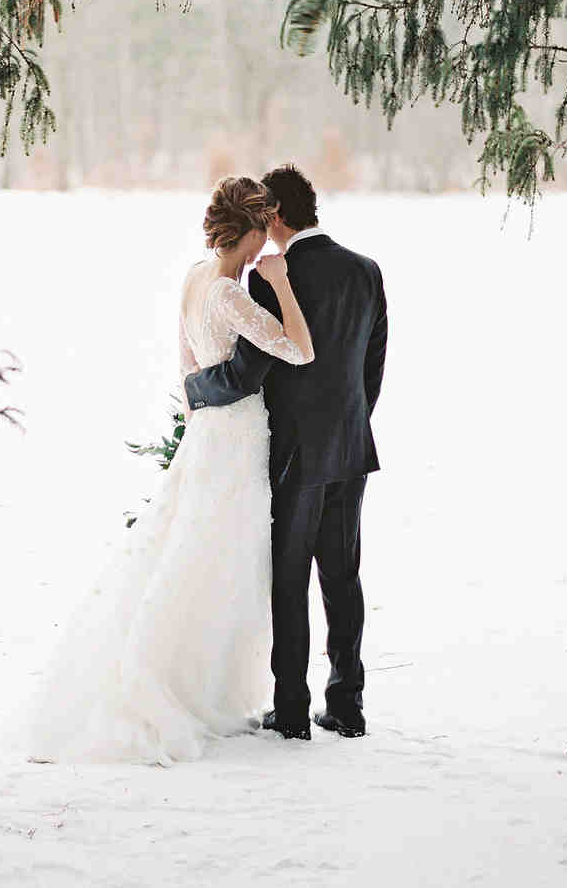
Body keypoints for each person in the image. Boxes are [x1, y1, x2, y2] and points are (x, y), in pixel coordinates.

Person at [25, 176, 314, 764]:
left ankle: (185, 678)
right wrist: (282, 287)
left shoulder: (192, 279)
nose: (266, 245)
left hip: (207, 431)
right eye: (263, 233)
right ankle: (186, 684)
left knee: (189, 548)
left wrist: (200, 421)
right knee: (222, 556)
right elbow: (300, 349)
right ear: (253, 230)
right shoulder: (232, 295)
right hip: (235, 437)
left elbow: (186, 367)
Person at [185, 164, 388, 741]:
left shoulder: (271, 277)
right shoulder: (366, 271)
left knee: (290, 579)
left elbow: (248, 373)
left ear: (273, 215)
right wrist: (349, 424)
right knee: (343, 577)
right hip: (352, 448)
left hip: (295, 454)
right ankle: (347, 704)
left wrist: (195, 391)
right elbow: (371, 367)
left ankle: (293, 710)